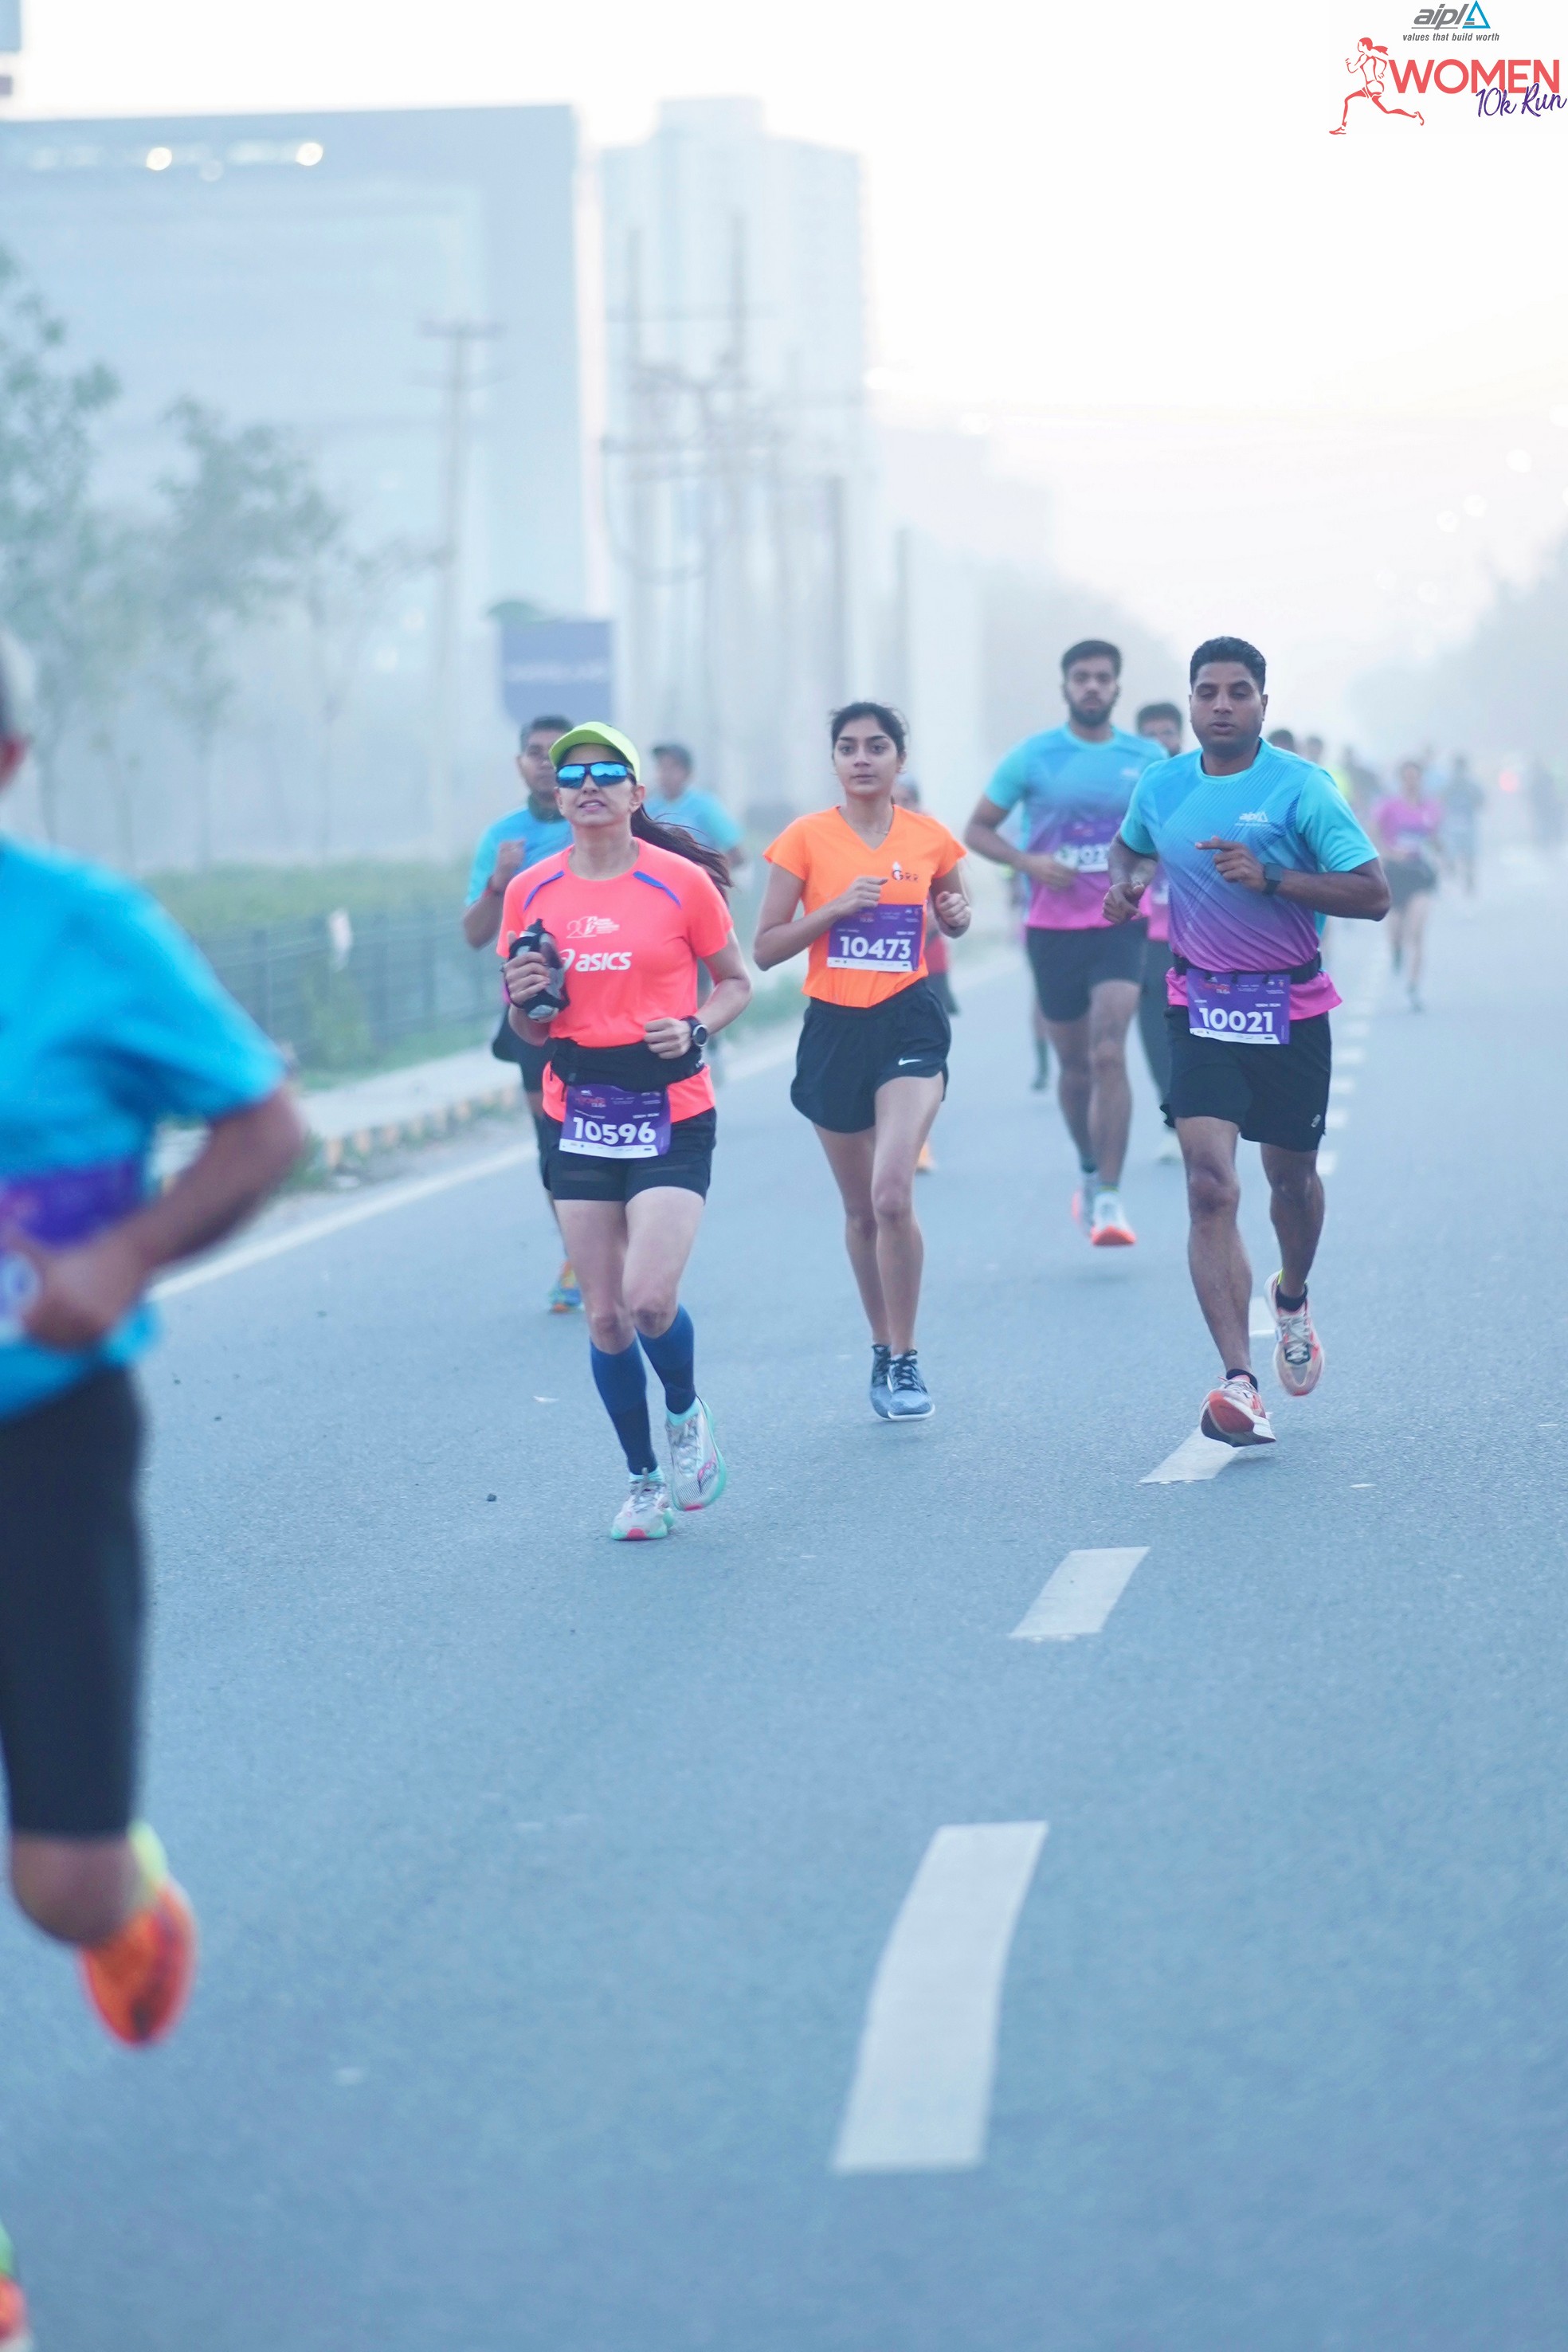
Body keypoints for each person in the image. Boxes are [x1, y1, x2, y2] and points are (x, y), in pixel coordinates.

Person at [0, 625, 304, 2339]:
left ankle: (119, 1890)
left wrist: (122, 1255)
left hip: (40, 1440)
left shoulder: (85, 933)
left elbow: (265, 1125)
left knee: (54, 1887)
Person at [1104, 636, 1388, 1447]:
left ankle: (1291, 1296)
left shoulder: (1303, 789)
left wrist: (1272, 878)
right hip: (1199, 1003)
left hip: (1290, 1007)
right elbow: (1131, 846)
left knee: (1289, 1183)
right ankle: (1239, 1382)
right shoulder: (1162, 784)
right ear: (1191, 701)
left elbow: (1372, 893)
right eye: (1208, 692)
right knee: (1209, 1186)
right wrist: (1127, 884)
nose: (1221, 705)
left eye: (1238, 692)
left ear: (1263, 702)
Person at [500, 723, 751, 1541]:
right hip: (579, 1111)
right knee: (605, 1317)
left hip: (671, 1106)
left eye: (608, 772)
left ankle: (683, 1412)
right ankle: (643, 1482)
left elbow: (736, 982)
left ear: (637, 794)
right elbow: (529, 1026)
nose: (588, 785)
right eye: (573, 774)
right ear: (557, 795)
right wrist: (525, 996)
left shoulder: (681, 883)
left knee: (648, 1300)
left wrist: (696, 1026)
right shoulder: (530, 890)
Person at [755, 704, 969, 1421]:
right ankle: (881, 1345)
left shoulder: (930, 836)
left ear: (899, 760)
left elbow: (954, 907)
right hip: (834, 1029)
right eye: (848, 748)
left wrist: (957, 916)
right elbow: (765, 948)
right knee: (859, 1211)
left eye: (877, 746)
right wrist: (834, 910)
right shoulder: (805, 838)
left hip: (909, 1022)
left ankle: (907, 1358)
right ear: (835, 762)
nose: (862, 758)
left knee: (891, 1194)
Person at [965, 640, 1165, 1245]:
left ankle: (1111, 1199)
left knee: (1109, 1053)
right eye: (1082, 678)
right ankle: (1088, 1167)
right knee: (1075, 1069)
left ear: (1117, 687)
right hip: (1052, 929)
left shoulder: (1147, 757)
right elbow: (977, 829)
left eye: (1103, 677)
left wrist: (1138, 878)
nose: (1093, 687)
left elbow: (1164, 836)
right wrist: (1028, 862)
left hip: (1120, 924)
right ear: (1066, 687)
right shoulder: (1032, 756)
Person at [463, 714, 579, 1311]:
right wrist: (498, 883)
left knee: (616, 1137)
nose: (546, 764)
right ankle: (580, 1255)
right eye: (535, 753)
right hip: (535, 1015)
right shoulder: (502, 839)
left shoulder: (602, 823)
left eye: (558, 755)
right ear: (520, 763)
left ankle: (623, 1244)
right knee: (553, 1142)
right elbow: (474, 935)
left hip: (612, 1009)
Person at [1135, 702, 1182, 1164]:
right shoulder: (1127, 795)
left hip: (1202, 937)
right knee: (1154, 1032)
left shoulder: (1201, 786)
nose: (1159, 742)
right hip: (1146, 936)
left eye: (1166, 732)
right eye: (1149, 735)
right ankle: (1173, 1118)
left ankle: (1206, 1114)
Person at [1375, 758, 1444, 1009]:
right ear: (1401, 780)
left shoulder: (1431, 807)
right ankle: (1396, 951)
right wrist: (1389, 853)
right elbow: (1373, 835)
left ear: (1421, 779)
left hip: (1420, 874)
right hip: (1394, 874)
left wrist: (1439, 852)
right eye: (1407, 777)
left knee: (1417, 932)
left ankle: (1413, 987)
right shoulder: (1388, 807)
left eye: (1416, 777)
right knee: (1396, 932)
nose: (1412, 782)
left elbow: (1435, 839)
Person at [648, 742, 749, 878]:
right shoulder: (650, 806)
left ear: (687, 773)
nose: (666, 774)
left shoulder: (705, 805)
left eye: (673, 768)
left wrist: (704, 874)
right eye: (662, 767)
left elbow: (737, 854)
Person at [1442, 753, 1484, 896]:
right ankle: (1461, 874)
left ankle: (1465, 876)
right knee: (1463, 852)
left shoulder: (1463, 784)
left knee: (1463, 852)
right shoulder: (1456, 784)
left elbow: (1481, 801)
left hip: (1461, 823)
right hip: (1459, 823)